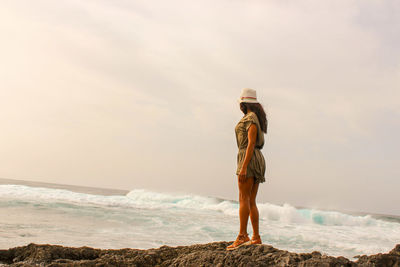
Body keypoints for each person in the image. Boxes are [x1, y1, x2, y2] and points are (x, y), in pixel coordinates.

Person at [227, 88, 268, 251]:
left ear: (243, 103)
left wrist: (243, 166)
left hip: (248, 157)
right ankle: (256, 237)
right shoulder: (254, 117)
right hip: (255, 157)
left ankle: (243, 235)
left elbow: (251, 143)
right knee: (250, 200)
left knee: (244, 198)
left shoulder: (250, 118)